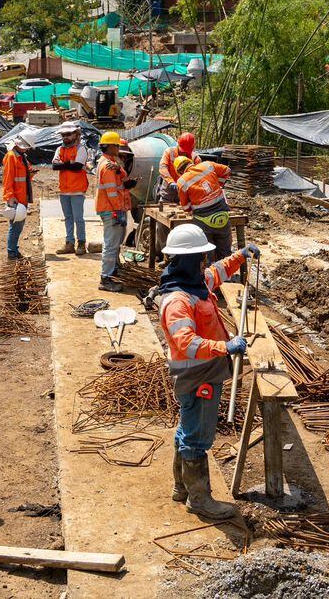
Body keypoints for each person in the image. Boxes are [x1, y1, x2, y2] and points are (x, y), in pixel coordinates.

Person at [156, 224, 259, 520]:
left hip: (204, 371)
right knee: (197, 438)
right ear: (186, 259)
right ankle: (199, 500)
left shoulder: (194, 282)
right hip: (197, 375)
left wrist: (240, 256)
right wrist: (225, 347)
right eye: (199, 256)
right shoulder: (178, 301)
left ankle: (182, 487)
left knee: (187, 429)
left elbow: (217, 272)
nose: (204, 261)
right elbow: (187, 344)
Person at [174, 154, 234, 260]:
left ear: (179, 172)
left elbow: (185, 207)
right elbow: (227, 170)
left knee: (207, 255)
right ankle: (225, 274)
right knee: (225, 254)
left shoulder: (182, 181)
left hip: (203, 222)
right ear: (190, 162)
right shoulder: (207, 165)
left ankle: (209, 273)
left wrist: (193, 206)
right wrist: (219, 185)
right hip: (222, 216)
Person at [95, 131, 132, 290]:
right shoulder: (107, 166)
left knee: (115, 243)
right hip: (112, 209)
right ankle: (105, 279)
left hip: (113, 208)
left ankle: (112, 272)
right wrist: (118, 210)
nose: (118, 149)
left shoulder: (110, 163)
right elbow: (111, 192)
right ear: (109, 146)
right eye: (116, 146)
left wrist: (120, 169)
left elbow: (122, 178)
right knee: (111, 245)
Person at [52, 122, 90, 255]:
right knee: (68, 217)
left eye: (68, 134)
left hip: (77, 189)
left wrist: (63, 164)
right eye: (63, 135)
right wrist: (69, 163)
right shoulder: (60, 149)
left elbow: (78, 166)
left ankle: (81, 243)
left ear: (75, 134)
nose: (65, 137)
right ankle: (69, 243)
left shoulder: (81, 149)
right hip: (64, 189)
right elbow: (54, 166)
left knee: (78, 218)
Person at [2, 135, 34, 260]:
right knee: (15, 226)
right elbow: (8, 178)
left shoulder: (22, 157)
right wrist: (9, 196)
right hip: (16, 198)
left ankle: (14, 250)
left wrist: (30, 174)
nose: (27, 149)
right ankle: (12, 252)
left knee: (18, 226)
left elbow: (22, 177)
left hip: (22, 196)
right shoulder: (11, 156)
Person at [157, 131, 196, 201]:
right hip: (167, 192)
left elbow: (198, 176)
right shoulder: (169, 152)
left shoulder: (195, 158)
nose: (184, 153)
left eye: (186, 152)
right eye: (182, 151)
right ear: (178, 144)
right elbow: (163, 168)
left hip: (184, 194)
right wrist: (171, 182)